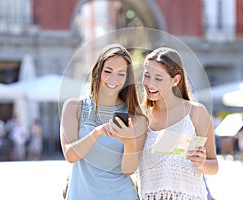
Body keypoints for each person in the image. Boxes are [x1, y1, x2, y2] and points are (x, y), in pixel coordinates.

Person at [60, 44, 148, 199]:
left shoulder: (136, 117)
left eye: (121, 74)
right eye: (108, 71)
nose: (114, 79)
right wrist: (96, 132)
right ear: (97, 72)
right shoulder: (74, 107)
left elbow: (129, 170)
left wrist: (128, 142)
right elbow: (70, 155)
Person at [139, 47, 218, 200]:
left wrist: (201, 163)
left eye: (158, 78)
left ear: (175, 80)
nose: (150, 83)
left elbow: (214, 166)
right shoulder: (141, 116)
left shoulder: (196, 113)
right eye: (147, 75)